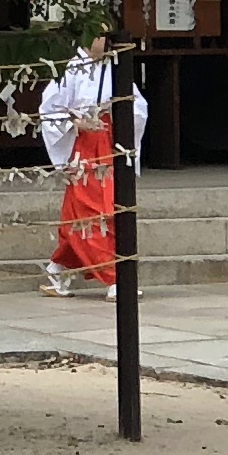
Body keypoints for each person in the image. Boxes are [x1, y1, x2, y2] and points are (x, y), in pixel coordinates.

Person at [37, 24, 150, 296]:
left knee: (103, 208)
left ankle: (58, 271)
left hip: (108, 143)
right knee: (93, 211)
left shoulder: (112, 68)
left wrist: (119, 112)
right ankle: (114, 278)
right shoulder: (71, 69)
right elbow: (49, 110)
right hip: (84, 148)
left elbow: (138, 106)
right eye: (99, 35)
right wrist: (76, 122)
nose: (104, 41)